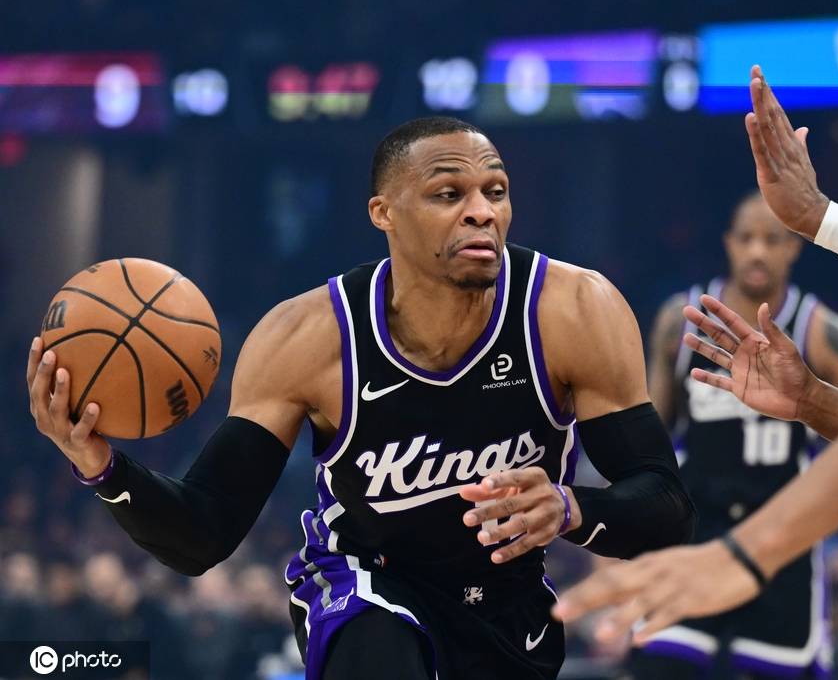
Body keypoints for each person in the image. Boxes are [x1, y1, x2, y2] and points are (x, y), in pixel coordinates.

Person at [26, 116, 697, 680]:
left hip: (507, 601)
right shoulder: (306, 337)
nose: (481, 211)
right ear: (384, 213)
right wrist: (100, 466)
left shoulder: (573, 310)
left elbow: (667, 508)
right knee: (379, 640)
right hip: (365, 582)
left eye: (495, 191)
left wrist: (571, 506)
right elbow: (204, 532)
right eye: (448, 193)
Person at [553, 1, 838, 679]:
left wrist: (752, 551)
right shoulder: (683, 318)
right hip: (703, 526)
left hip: (773, 562)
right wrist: (810, 399)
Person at [629, 191, 838, 679]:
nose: (757, 251)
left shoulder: (823, 333)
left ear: (793, 247)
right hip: (694, 534)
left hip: (783, 544)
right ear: (728, 244)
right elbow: (647, 445)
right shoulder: (681, 322)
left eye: (772, 240)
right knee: (658, 665)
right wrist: (621, 538)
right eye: (746, 238)